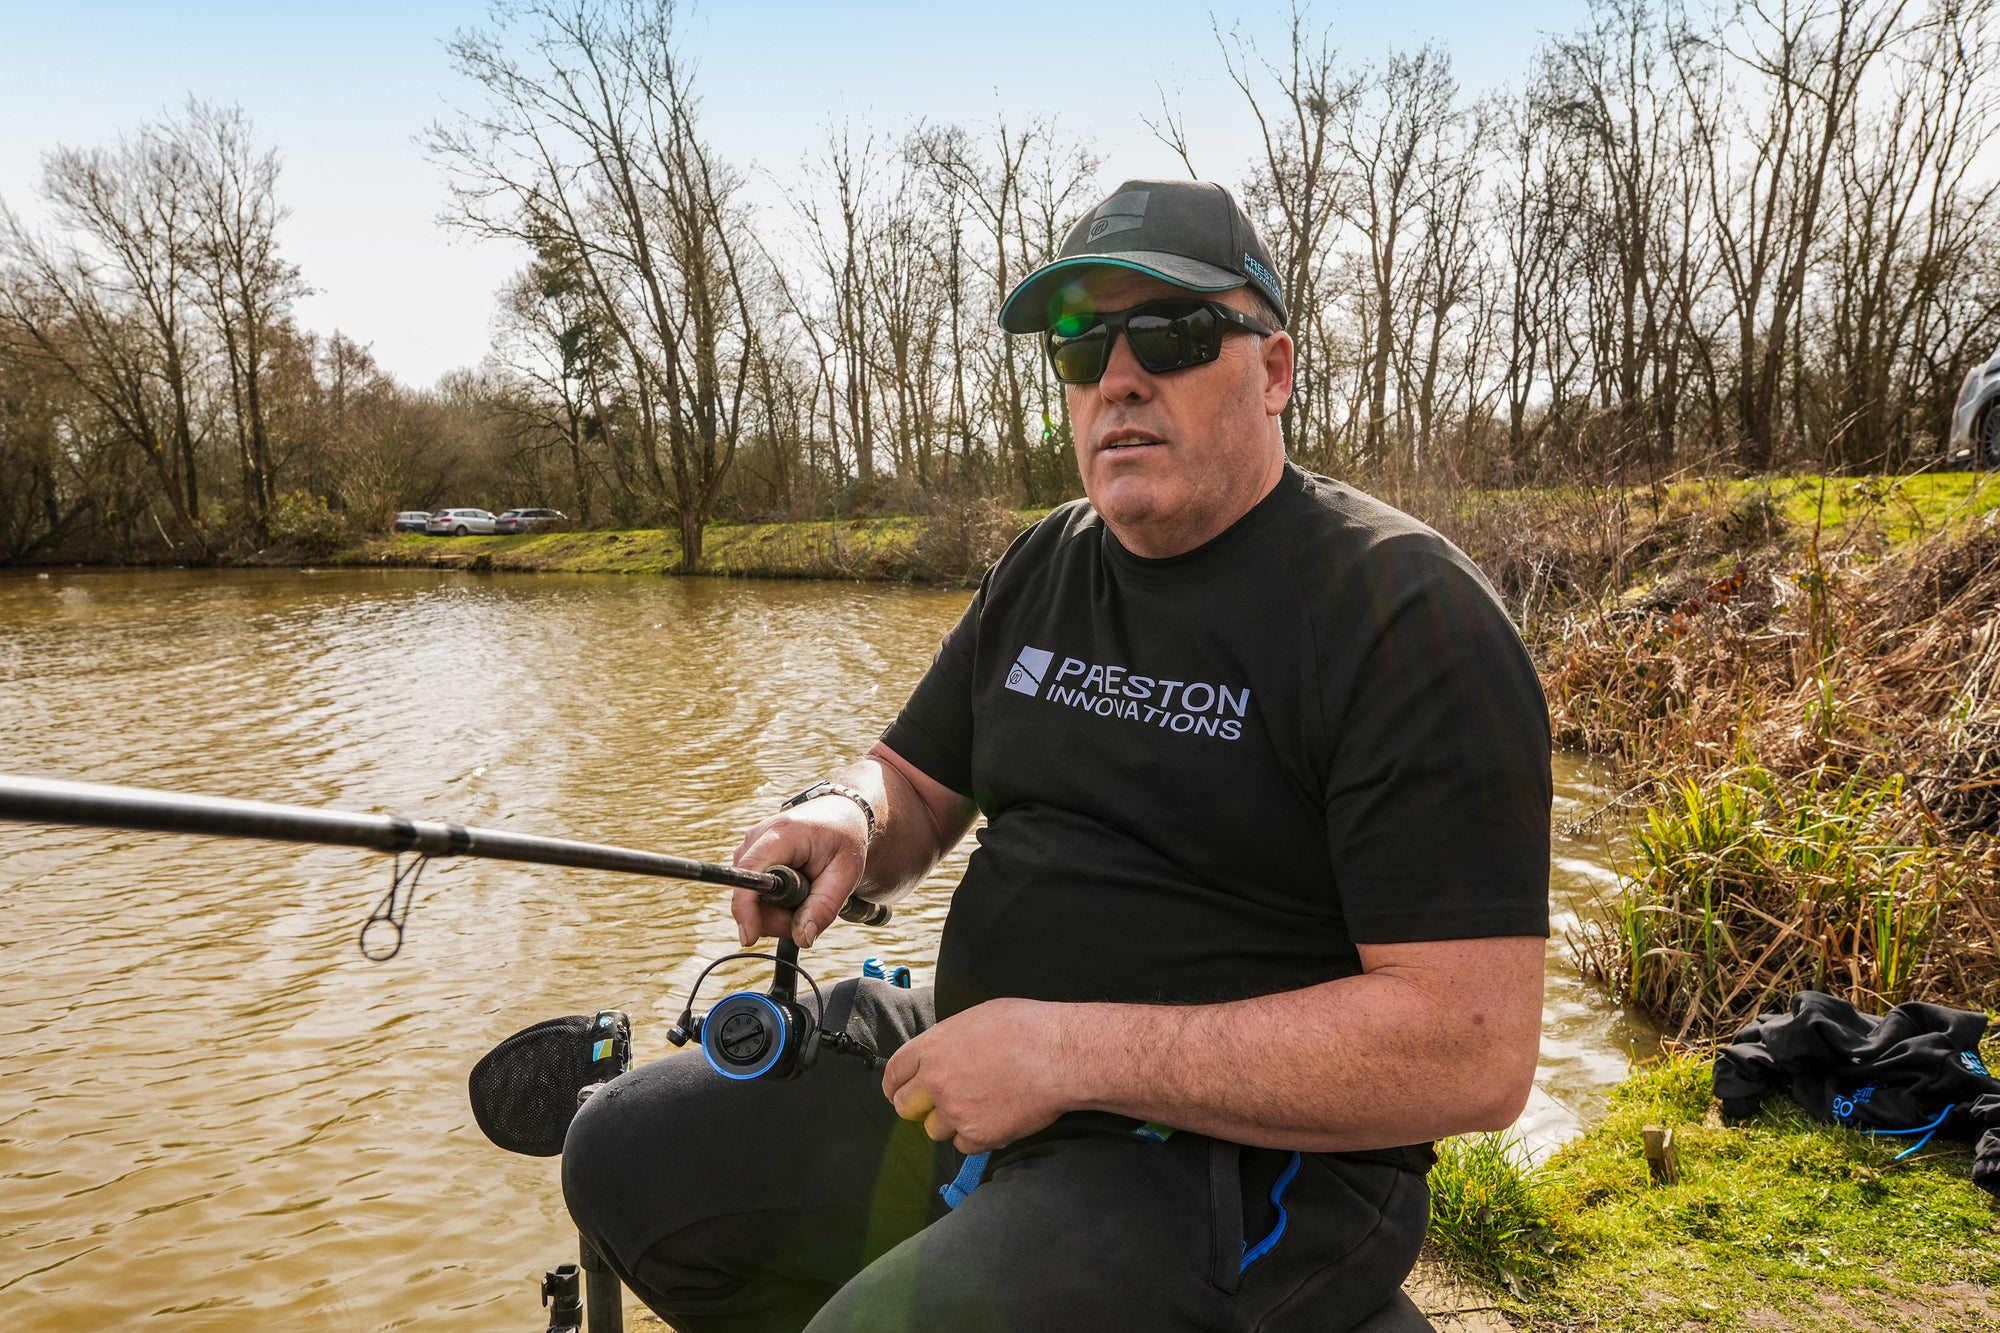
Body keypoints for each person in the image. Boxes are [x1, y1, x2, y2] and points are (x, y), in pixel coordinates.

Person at [563, 178, 1552, 1333]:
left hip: (1254, 1158)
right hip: (994, 1063)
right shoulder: (1044, 563)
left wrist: (1068, 1051)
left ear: (1273, 371)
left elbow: (1468, 1051)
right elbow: (915, 785)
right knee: (625, 1152)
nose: (1117, 376)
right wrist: (844, 814)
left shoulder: (1402, 610)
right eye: (1080, 347)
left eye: (1174, 335)